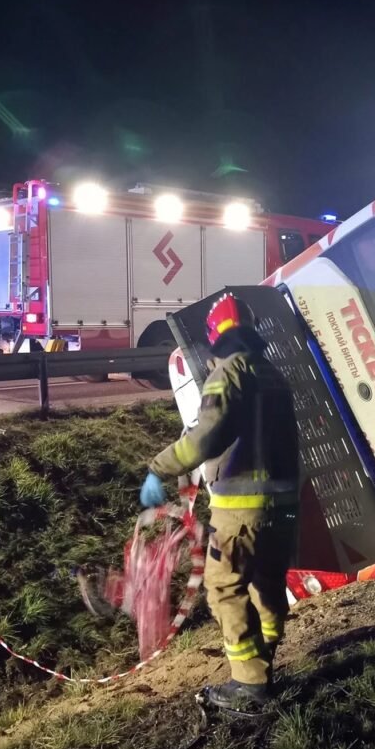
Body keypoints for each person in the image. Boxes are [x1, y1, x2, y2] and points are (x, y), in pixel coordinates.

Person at [141, 292, 300, 712]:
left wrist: (158, 467)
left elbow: (204, 440)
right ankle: (265, 655)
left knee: (225, 586)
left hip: (243, 508)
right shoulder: (274, 374)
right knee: (267, 581)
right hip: (284, 504)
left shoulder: (228, 373)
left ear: (215, 336)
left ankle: (249, 685)